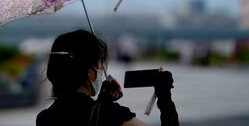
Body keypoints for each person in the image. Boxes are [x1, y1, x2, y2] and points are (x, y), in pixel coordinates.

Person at [36, 29, 179, 126]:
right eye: (99, 63)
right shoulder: (112, 115)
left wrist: (100, 105)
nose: (101, 69)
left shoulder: (44, 118)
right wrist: (165, 98)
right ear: (90, 72)